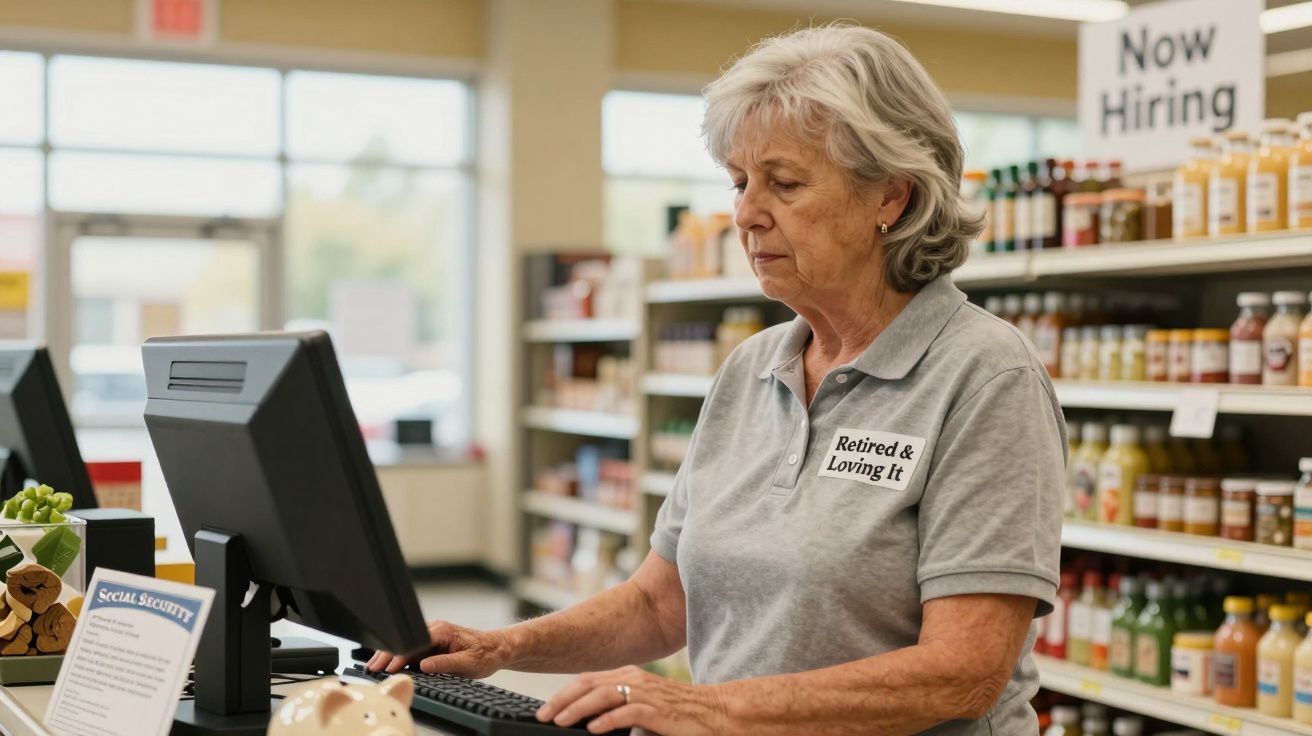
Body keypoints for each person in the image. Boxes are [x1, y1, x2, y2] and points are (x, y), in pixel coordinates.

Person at [370, 23, 1065, 735]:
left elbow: (963, 671)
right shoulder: (751, 368)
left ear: (892, 197)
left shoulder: (986, 378)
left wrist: (709, 706)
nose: (745, 213)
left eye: (784, 183)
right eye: (739, 182)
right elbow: (660, 603)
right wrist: (502, 647)